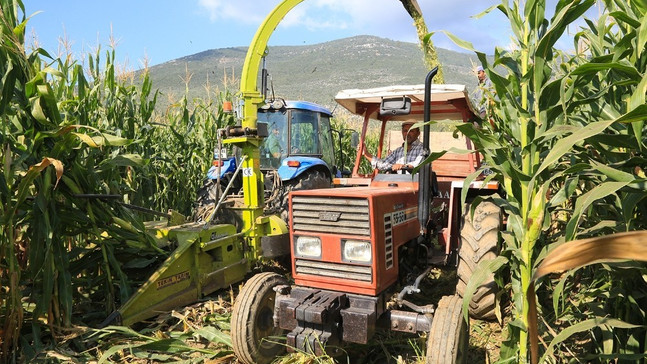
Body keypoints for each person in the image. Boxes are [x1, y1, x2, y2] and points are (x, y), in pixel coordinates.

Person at [359, 121, 426, 173]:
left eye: (411, 131)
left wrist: (403, 166)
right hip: (398, 183)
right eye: (405, 131)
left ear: (418, 133)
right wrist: (366, 154)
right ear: (402, 132)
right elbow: (383, 164)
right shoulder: (398, 151)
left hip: (415, 184)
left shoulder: (423, 148)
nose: (407, 133)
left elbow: (417, 165)